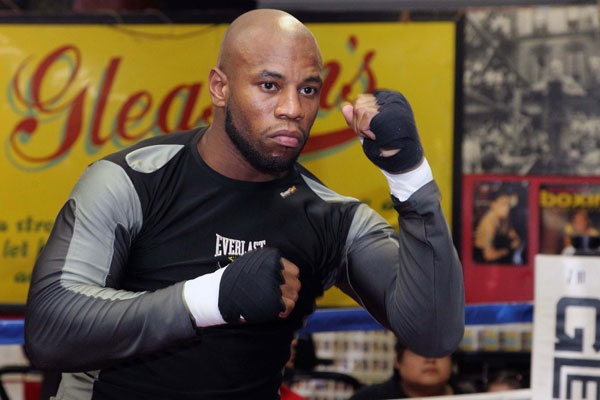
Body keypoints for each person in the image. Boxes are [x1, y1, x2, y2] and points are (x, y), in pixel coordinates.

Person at [24, 8, 464, 400]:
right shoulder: (133, 182)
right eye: (269, 85)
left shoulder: (330, 217)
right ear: (220, 87)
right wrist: (212, 298)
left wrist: (409, 176)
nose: (292, 108)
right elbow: (51, 330)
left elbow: (434, 333)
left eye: (308, 89)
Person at [348, 339, 467, 399]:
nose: (430, 359)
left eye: (440, 351)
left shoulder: (471, 397)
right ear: (397, 361)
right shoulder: (369, 398)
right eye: (419, 351)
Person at [473, 188, 522, 264]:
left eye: (508, 204)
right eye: (503, 204)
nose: (507, 208)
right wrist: (508, 250)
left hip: (498, 259)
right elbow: (488, 255)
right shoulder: (488, 224)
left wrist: (516, 241)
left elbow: (513, 235)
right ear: (493, 205)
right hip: (483, 263)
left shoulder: (504, 218)